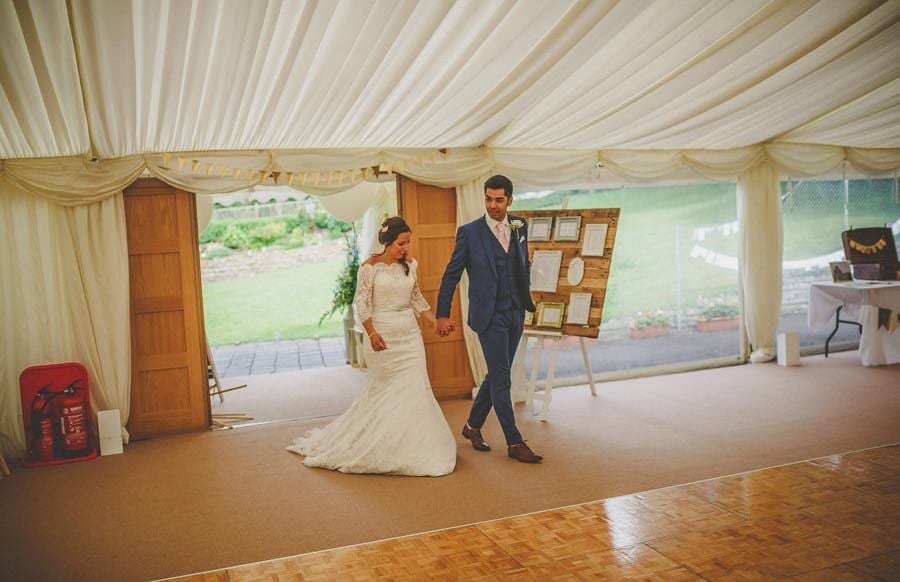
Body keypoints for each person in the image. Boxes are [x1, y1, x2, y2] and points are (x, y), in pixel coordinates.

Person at [287, 217, 456, 476]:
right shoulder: (369, 267)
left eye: (408, 243)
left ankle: (411, 447)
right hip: (382, 337)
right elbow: (362, 304)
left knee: (415, 389)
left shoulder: (410, 265)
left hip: (410, 337)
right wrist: (372, 333)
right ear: (388, 242)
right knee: (385, 392)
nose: (406, 248)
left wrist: (436, 321)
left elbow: (416, 298)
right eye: (401, 243)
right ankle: (378, 444)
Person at [435, 175, 543, 464]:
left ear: (510, 199)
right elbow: (451, 274)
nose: (492, 205)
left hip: (515, 311)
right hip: (489, 316)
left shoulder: (520, 226)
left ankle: (472, 426)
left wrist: (525, 298)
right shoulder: (469, 233)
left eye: (498, 200)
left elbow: (523, 264)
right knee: (502, 379)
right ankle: (514, 441)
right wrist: (442, 313)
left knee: (496, 374)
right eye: (488, 199)